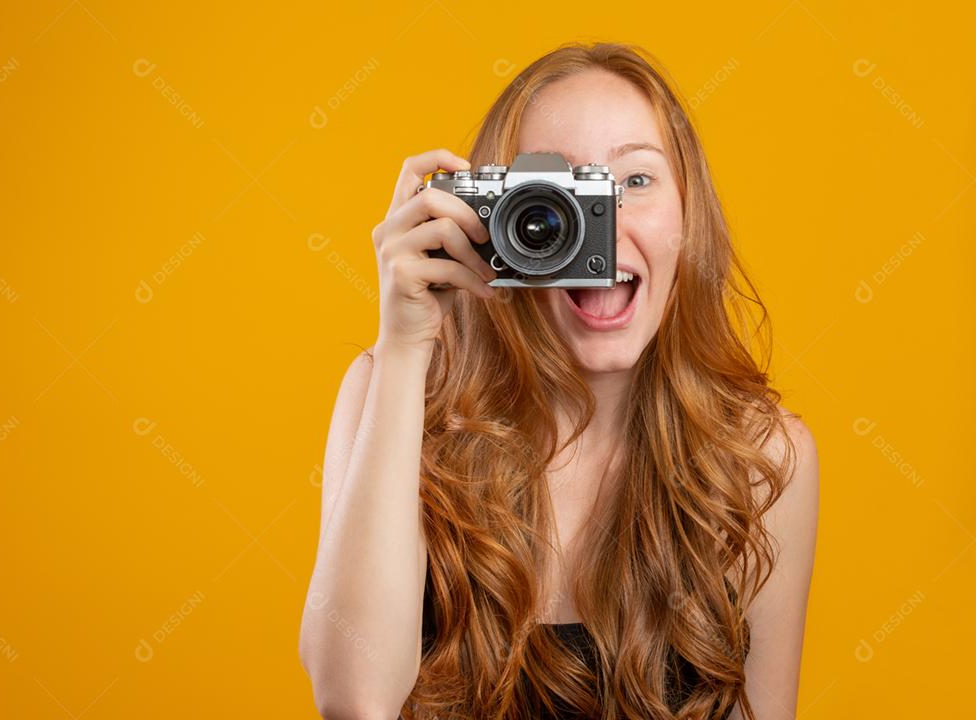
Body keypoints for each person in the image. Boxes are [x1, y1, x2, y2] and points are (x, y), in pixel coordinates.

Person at [299, 41, 819, 720]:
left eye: (634, 181)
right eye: (558, 194)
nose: (596, 225)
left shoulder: (760, 458)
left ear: (689, 217)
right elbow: (354, 700)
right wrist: (404, 347)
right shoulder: (390, 397)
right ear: (495, 220)